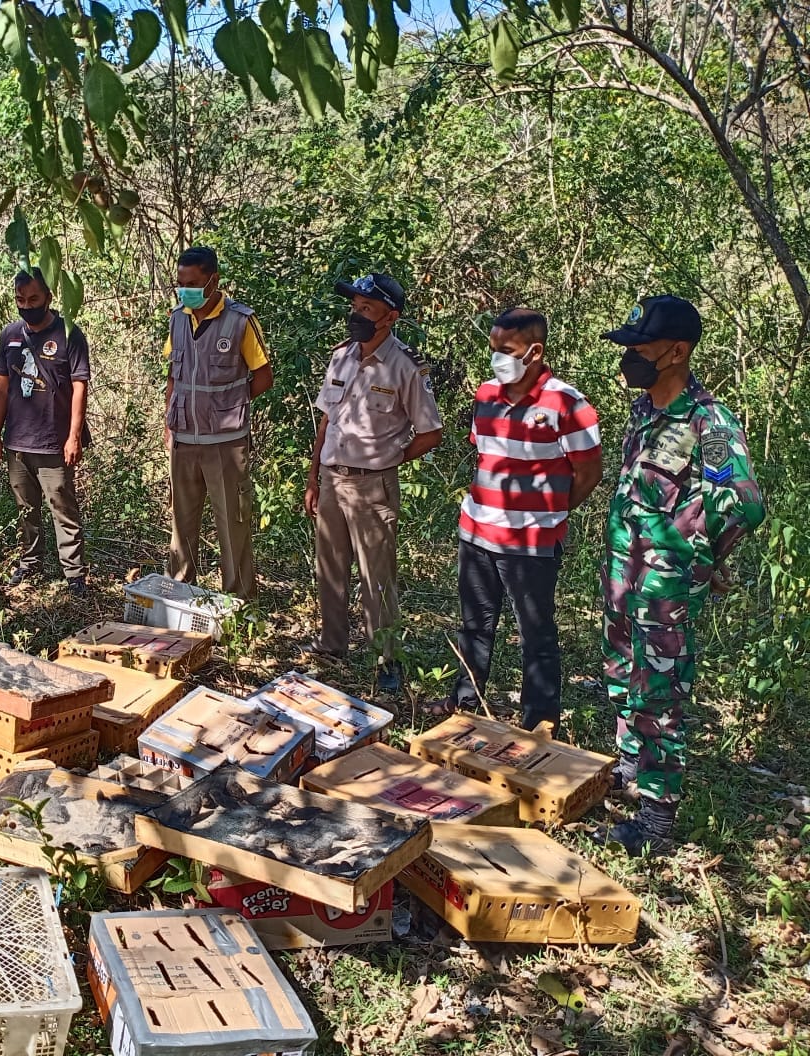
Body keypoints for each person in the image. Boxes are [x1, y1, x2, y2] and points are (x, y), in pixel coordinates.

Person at [599, 295, 764, 856]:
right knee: (623, 676)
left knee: (658, 692)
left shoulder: (708, 422)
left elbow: (741, 501)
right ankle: (628, 771)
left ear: (677, 351)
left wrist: (699, 558)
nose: (632, 355)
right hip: (625, 575)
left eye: (641, 346)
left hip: (663, 588)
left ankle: (656, 823)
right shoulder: (646, 410)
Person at [440, 308, 602, 732]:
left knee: (536, 635)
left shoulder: (568, 404)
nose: (497, 358)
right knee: (475, 624)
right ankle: (465, 706)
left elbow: (588, 472)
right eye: (493, 349)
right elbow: (486, 455)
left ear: (535, 351)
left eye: (506, 350)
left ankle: (540, 724)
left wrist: (550, 513)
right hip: (476, 532)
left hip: (531, 543)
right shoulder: (486, 395)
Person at [304, 272, 442, 692]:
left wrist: (390, 459)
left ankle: (386, 658)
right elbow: (327, 419)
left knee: (376, 577)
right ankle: (332, 645)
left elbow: (431, 432)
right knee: (330, 567)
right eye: (355, 307)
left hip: (373, 485)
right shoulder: (342, 356)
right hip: (332, 479)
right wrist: (313, 476)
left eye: (367, 309)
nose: (356, 315)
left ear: (390, 317)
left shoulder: (405, 367)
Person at [164, 246, 273, 599]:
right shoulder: (178, 318)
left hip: (225, 443)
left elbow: (263, 376)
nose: (185, 291)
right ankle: (180, 594)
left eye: (193, 283)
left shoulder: (240, 321)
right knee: (182, 525)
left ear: (214, 281)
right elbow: (173, 375)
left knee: (233, 524)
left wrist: (228, 406)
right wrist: (169, 421)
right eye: (180, 284)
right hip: (184, 440)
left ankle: (239, 601)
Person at [0, 268, 91, 593]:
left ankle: (74, 575)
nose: (27, 305)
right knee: (26, 508)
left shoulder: (69, 334)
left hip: (54, 442)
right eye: (20, 299)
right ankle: (30, 564)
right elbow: (1, 387)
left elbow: (79, 386)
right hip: (18, 441)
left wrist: (74, 436)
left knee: (62, 507)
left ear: (48, 296)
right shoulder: (9, 335)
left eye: (33, 298)